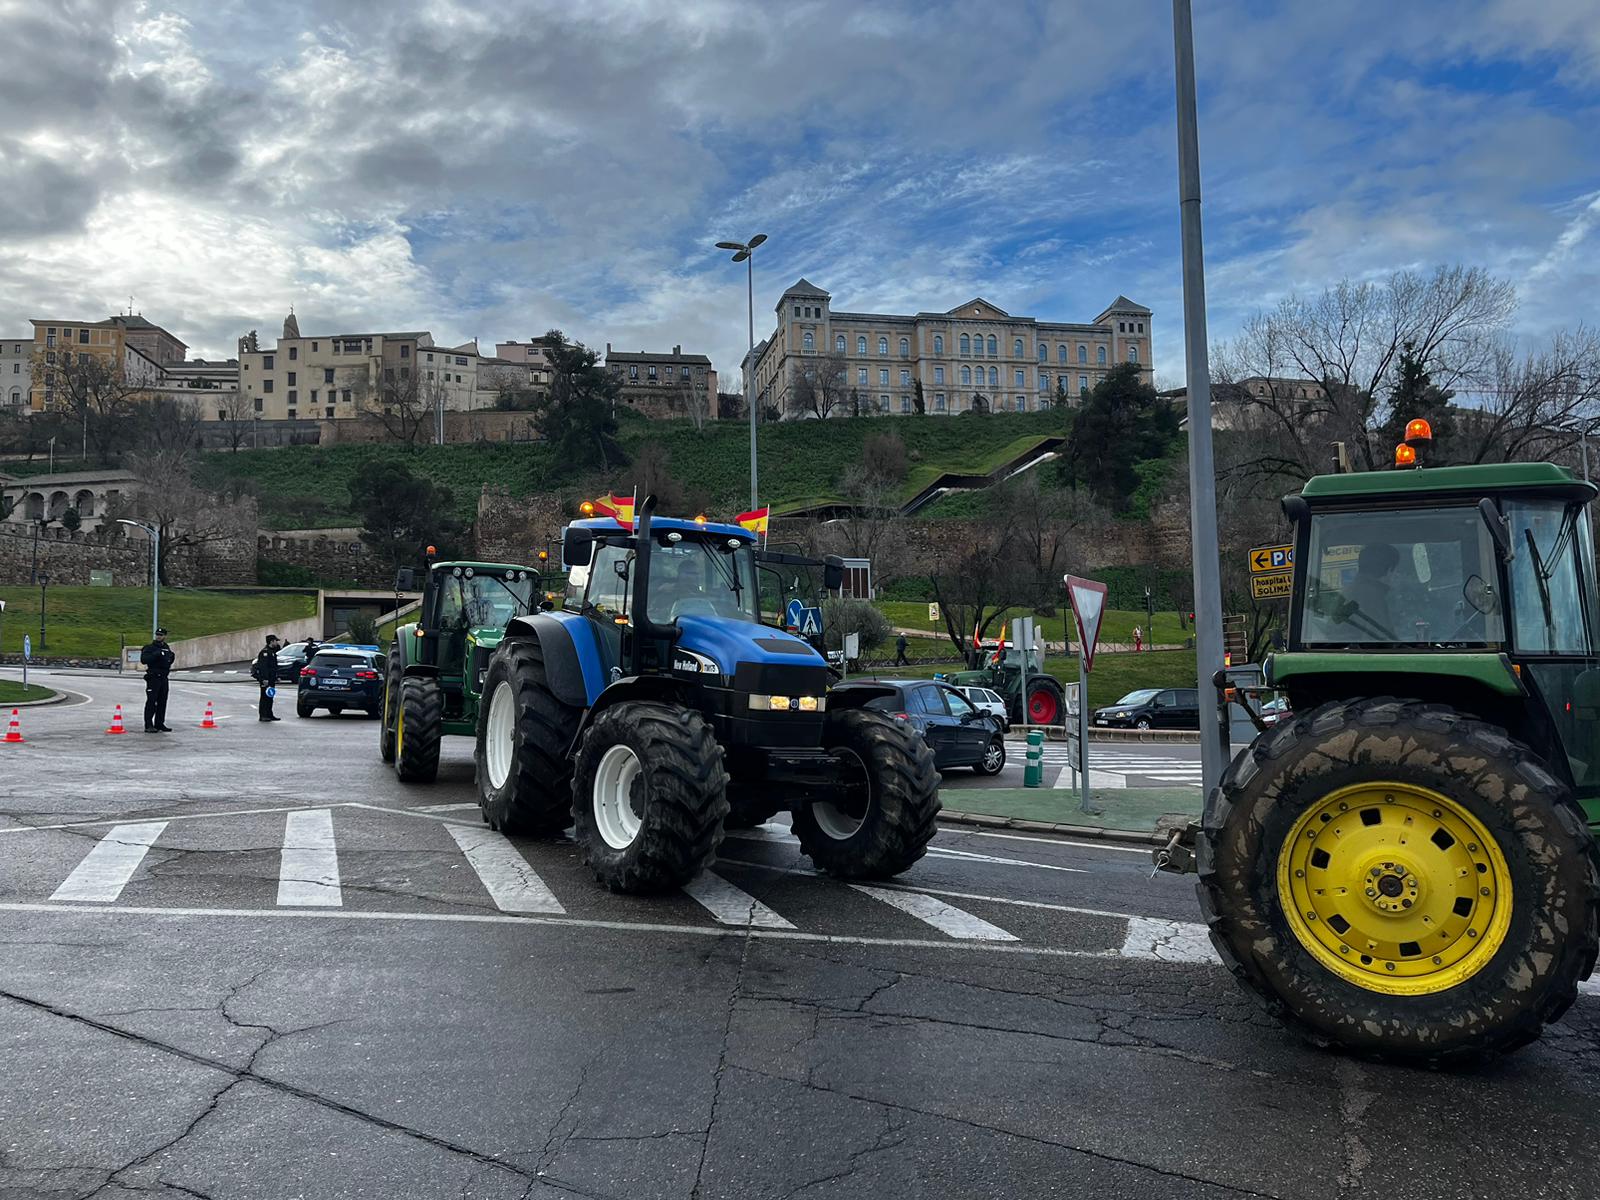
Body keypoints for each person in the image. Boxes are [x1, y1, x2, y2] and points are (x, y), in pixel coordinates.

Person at [1343, 544, 1400, 638]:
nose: (1397, 575)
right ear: (1390, 570)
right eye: (1397, 571)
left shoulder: (1352, 590)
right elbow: (1381, 639)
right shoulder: (1371, 596)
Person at [139, 627, 175, 733]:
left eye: (161, 635)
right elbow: (144, 660)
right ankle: (148, 725)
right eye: (157, 635)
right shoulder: (149, 648)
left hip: (163, 677)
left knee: (162, 701)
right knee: (151, 701)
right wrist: (156, 654)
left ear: (165, 636)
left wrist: (171, 657)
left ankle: (159, 723)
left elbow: (169, 659)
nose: (159, 636)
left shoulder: (167, 648)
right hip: (153, 677)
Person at [252, 634, 282, 722]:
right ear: (271, 641)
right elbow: (263, 667)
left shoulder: (272, 652)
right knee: (264, 697)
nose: (277, 642)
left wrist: (277, 676)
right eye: (276, 641)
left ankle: (269, 714)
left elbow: (273, 667)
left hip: (271, 679)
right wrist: (264, 679)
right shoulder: (264, 652)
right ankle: (263, 715)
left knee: (270, 697)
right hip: (266, 680)